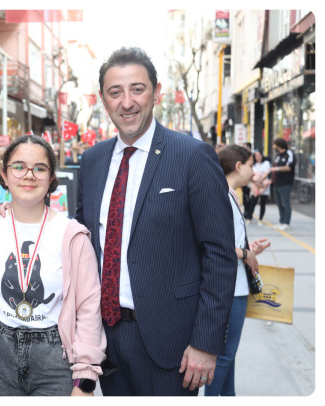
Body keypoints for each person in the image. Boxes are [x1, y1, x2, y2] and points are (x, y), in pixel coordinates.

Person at [75, 47, 237, 396]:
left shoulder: (192, 156)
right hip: (106, 338)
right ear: (103, 100)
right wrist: (10, 213)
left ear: (157, 92)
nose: (127, 102)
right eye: (115, 92)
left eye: (137, 89)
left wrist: (206, 342)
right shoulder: (92, 161)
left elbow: (220, 254)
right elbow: (78, 237)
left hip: (172, 344)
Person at [0, 135, 106, 396]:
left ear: (51, 178)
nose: (29, 175)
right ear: (4, 175)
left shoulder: (73, 235)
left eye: (39, 168)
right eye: (19, 166)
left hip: (55, 359)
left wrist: (85, 379)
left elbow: (88, 308)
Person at [205, 145, 270, 396]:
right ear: (239, 166)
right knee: (224, 357)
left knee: (227, 356)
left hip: (234, 285)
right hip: (230, 288)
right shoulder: (222, 195)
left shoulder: (228, 194)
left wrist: (248, 250)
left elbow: (228, 242)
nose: (254, 171)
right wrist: (245, 253)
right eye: (251, 165)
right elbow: (211, 243)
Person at [269, 138, 295, 230]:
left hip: (285, 183)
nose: (273, 146)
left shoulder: (289, 154)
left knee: (285, 203)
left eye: (274, 144)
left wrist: (276, 169)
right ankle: (282, 221)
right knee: (279, 203)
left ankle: (286, 223)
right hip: (276, 183)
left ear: (279, 145)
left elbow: (289, 167)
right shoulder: (277, 155)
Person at [244, 150, 271, 226]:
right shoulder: (253, 164)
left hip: (264, 185)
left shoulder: (266, 163)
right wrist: (256, 182)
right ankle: (249, 218)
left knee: (263, 203)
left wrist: (260, 181)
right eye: (256, 155)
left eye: (259, 155)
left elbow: (266, 173)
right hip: (255, 186)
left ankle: (260, 219)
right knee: (252, 202)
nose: (258, 157)